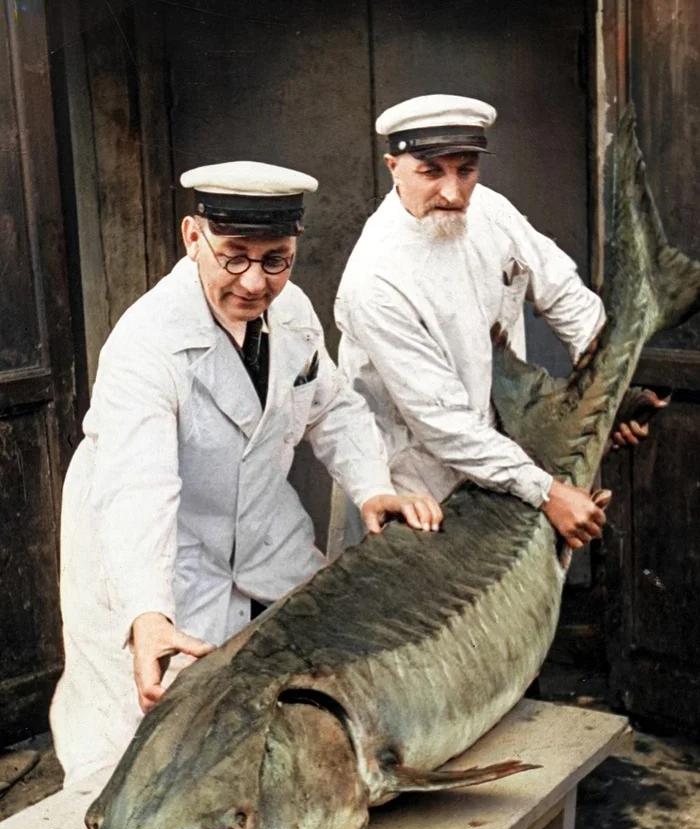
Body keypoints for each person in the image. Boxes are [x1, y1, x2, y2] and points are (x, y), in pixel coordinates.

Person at [51, 160, 442, 791]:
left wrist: (373, 485)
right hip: (153, 551)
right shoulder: (145, 343)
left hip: (259, 535)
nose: (255, 282)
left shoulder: (294, 316)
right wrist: (149, 612)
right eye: (234, 257)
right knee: (137, 745)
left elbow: (332, 406)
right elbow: (137, 487)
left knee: (297, 698)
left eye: (276, 260)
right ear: (192, 236)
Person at [336, 94, 660, 550]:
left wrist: (612, 396)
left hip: (502, 461)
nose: (453, 192)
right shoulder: (375, 280)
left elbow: (566, 295)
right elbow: (442, 423)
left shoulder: (488, 209)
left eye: (465, 169)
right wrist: (546, 490)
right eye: (431, 172)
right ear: (394, 167)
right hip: (413, 483)